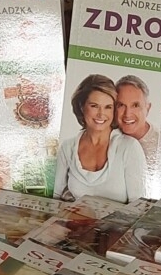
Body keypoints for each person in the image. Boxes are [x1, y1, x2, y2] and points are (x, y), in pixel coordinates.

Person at [61, 73, 148, 201]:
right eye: (94, 106)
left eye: (108, 107)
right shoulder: (68, 147)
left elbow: (139, 204)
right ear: (81, 106)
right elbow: (55, 196)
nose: (101, 114)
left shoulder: (129, 147)